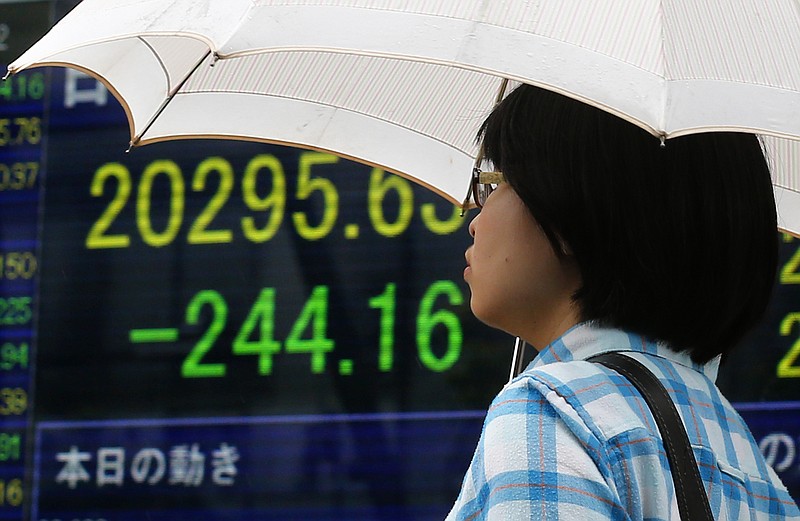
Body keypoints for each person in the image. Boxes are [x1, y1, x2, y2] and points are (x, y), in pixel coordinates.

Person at [447, 83, 800, 520]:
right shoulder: (747, 462)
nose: (474, 219)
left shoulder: (552, 414)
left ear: (567, 212)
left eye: (496, 181)